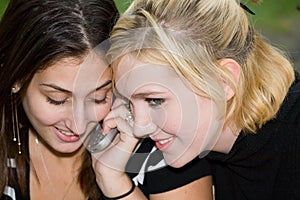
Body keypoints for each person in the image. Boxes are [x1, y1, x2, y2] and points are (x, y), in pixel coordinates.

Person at [0, 0, 213, 199]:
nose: (78, 125)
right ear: (17, 78)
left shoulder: (164, 145)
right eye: (57, 100)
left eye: (98, 98)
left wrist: (115, 181)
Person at [105, 0, 300, 199]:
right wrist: (115, 181)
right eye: (128, 102)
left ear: (224, 82)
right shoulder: (201, 140)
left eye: (155, 100)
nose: (139, 127)